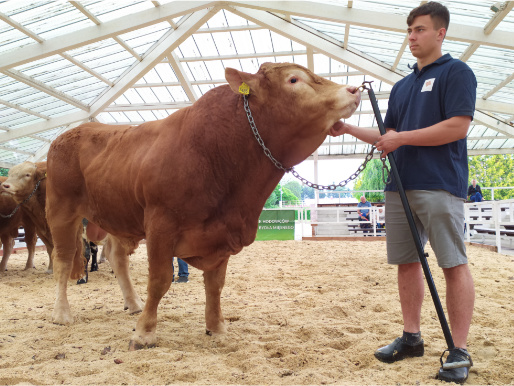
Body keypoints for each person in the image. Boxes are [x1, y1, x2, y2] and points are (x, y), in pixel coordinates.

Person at [330, 2, 476, 383]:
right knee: (407, 263)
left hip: (439, 184)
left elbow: (457, 127)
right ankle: (412, 337)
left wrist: (402, 138)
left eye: (420, 30)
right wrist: (346, 128)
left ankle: (458, 349)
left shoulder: (457, 73)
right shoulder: (402, 85)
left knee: (452, 264)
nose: (412, 37)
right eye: (409, 30)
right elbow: (386, 136)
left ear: (441, 32)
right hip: (399, 186)